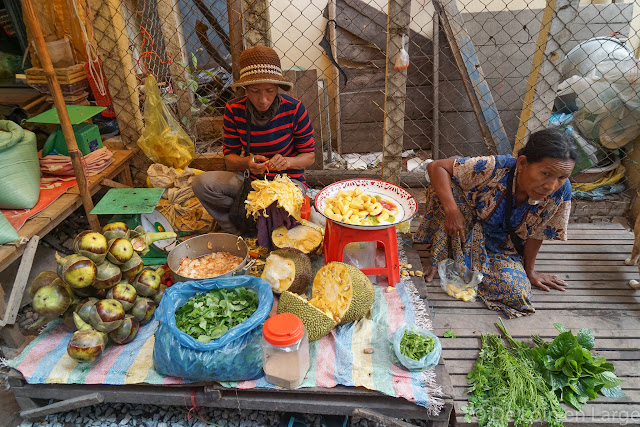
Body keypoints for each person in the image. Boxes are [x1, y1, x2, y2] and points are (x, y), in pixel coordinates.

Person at [414, 128, 578, 318]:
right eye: (545, 174)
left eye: (561, 177)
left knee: (518, 294)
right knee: (445, 187)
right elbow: (436, 167)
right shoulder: (495, 167)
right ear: (523, 163)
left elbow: (537, 233)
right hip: (466, 224)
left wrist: (530, 272)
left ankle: (459, 261)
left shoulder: (561, 193)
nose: (551, 186)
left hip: (503, 247)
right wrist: (452, 210)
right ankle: (439, 256)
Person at [193, 46, 315, 235]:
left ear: (277, 88)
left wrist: (288, 162)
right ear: (245, 89)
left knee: (277, 205)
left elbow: (309, 156)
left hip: (289, 183)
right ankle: (240, 232)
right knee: (201, 183)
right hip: (252, 181)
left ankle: (264, 229)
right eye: (255, 91)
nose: (263, 99)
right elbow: (230, 158)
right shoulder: (234, 109)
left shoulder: (294, 109)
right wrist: (247, 163)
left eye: (269, 90)